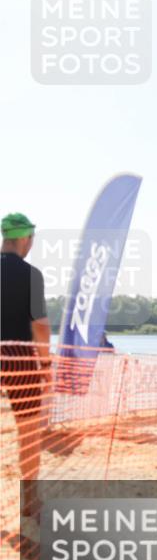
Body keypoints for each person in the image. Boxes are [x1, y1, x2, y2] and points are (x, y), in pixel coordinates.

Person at [0, 213, 51, 525]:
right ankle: (30, 502)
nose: (31, 244)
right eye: (31, 238)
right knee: (29, 432)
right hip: (20, 357)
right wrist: (46, 365)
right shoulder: (31, 275)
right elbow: (41, 327)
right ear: (23, 238)